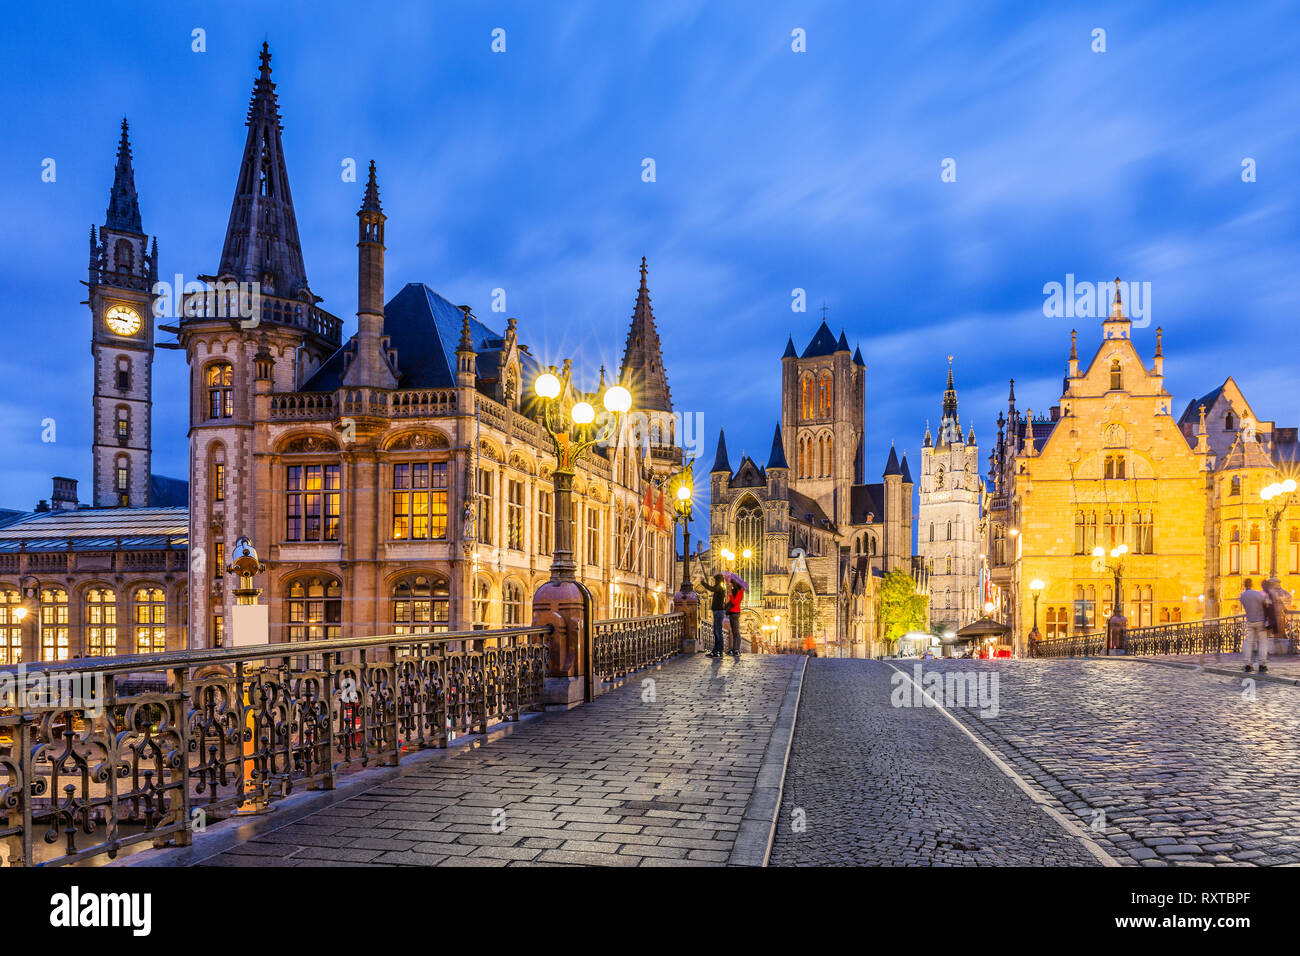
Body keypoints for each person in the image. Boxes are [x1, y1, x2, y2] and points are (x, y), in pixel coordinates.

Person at [1239, 577, 1272, 673]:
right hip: (1261, 621)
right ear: (1252, 584)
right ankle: (1262, 664)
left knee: (1249, 643)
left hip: (1250, 621)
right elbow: (1267, 603)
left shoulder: (1242, 596)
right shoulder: (1257, 594)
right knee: (1262, 642)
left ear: (1244, 585)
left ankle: (1247, 664)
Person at [697, 574, 728, 658]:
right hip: (717, 611)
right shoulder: (720, 587)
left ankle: (719, 651)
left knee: (718, 632)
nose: (714, 581)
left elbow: (711, 589)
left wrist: (703, 582)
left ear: (718, 580)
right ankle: (716, 650)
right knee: (716, 631)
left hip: (718, 611)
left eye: (715, 580)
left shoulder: (719, 588)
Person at [726, 582, 744, 658]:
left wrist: (730, 593)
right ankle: (734, 649)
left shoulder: (740, 592)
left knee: (736, 632)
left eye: (733, 584)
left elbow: (734, 602)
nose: (732, 586)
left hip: (735, 613)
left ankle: (737, 649)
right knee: (733, 632)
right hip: (732, 612)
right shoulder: (735, 592)